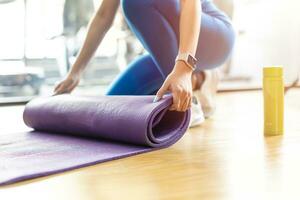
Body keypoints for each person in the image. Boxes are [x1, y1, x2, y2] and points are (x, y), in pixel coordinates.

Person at [54, 0, 235, 127]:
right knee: (109, 110)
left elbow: (190, 2)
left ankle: (190, 101)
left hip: (214, 36)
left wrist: (184, 68)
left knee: (134, 1)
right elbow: (103, 16)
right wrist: (75, 72)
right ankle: (201, 80)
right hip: (173, 54)